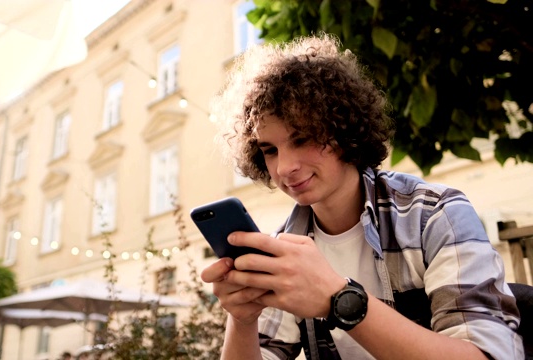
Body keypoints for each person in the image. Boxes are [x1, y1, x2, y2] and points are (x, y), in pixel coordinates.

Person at [200, 34, 524, 359]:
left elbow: (488, 354)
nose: (284, 167)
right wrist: (242, 320)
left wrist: (339, 298)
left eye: (303, 139)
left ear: (344, 129)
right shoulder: (287, 246)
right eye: (269, 150)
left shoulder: (435, 214)